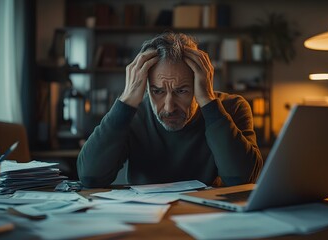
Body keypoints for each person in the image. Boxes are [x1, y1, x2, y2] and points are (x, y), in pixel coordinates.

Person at [77, 32, 263, 187]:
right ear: (147, 87)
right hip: (145, 219)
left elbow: (243, 180)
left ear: (201, 83)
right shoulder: (132, 114)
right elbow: (90, 177)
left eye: (181, 91)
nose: (168, 107)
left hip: (209, 217)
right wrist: (125, 101)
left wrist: (208, 101)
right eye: (157, 91)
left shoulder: (232, 108)